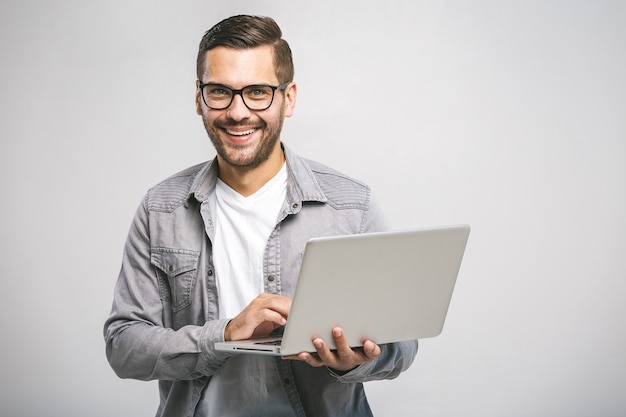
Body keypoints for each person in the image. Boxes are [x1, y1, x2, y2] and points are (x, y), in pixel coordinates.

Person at [104, 14, 418, 417]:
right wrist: (224, 334)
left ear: (288, 98)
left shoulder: (350, 206)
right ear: (199, 97)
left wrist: (356, 360)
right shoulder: (160, 208)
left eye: (257, 92)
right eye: (220, 91)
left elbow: (403, 345)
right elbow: (123, 345)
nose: (237, 112)